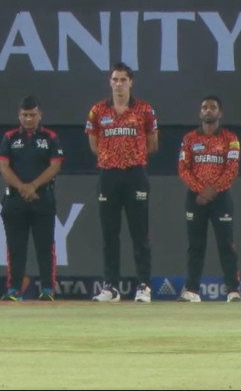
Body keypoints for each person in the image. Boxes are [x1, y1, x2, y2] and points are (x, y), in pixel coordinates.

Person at [85, 63, 158, 303]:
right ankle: (111, 287)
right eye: (115, 80)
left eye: (123, 80)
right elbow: (94, 144)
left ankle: (144, 286)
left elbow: (152, 143)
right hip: (108, 175)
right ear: (110, 82)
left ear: (131, 82)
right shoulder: (97, 111)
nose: (118, 84)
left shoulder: (145, 110)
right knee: (109, 234)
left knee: (139, 233)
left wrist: (131, 157)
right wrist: (111, 157)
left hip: (135, 174)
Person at [176, 96, 241, 303]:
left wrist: (212, 191)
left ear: (220, 113)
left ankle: (233, 290)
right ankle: (192, 290)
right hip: (196, 199)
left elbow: (232, 169)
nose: (208, 110)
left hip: (221, 198)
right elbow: (183, 168)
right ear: (200, 112)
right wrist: (200, 190)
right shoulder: (189, 139)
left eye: (212, 107)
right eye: (204, 107)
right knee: (195, 245)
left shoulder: (230, 139)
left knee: (226, 244)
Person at [0, 96, 63, 302]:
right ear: (19, 115)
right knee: (15, 247)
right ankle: (14, 290)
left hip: (42, 197)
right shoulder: (9, 137)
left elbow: (54, 166)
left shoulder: (51, 137)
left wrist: (33, 186)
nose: (28, 119)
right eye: (25, 115)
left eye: (32, 115)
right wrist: (22, 188)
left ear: (40, 115)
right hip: (15, 199)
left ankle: (47, 289)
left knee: (45, 246)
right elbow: (3, 166)